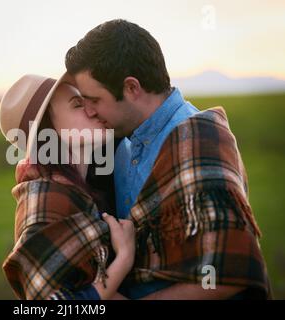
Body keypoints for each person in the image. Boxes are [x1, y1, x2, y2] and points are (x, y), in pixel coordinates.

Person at [65, 19, 271, 299]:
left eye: (94, 100)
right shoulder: (118, 142)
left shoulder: (199, 139)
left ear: (131, 88)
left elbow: (225, 277)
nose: (88, 111)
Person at [0, 73, 135, 299]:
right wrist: (124, 259)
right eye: (77, 104)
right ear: (48, 130)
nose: (92, 109)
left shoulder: (82, 188)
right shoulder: (47, 199)